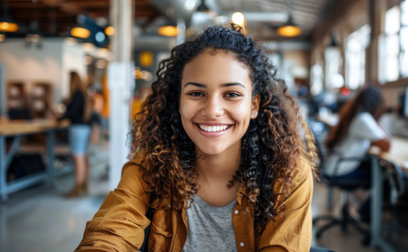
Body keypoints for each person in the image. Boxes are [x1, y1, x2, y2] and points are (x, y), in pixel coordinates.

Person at [76, 25, 317, 251]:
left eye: (231, 94)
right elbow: (111, 231)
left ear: (254, 105)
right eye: (196, 93)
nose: (213, 110)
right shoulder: (152, 164)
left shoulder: (288, 175)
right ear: (178, 101)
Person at [324, 85, 390, 221]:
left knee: (376, 168)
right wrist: (377, 120)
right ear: (377, 105)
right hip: (342, 170)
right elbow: (386, 145)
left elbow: (371, 142)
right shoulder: (364, 119)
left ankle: (365, 211)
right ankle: (366, 214)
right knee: (385, 176)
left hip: (335, 165)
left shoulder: (354, 115)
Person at [59, 71, 92, 197]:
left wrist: (59, 118)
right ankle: (83, 185)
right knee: (83, 157)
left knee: (78, 158)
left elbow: (71, 113)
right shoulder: (84, 94)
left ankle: (77, 187)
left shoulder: (77, 95)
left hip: (78, 128)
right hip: (84, 128)